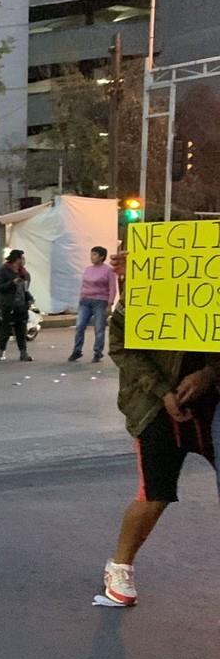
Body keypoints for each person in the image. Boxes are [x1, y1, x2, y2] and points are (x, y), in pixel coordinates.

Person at [101, 250, 219, 606]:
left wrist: (210, 374)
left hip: (212, 404)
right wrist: (163, 391)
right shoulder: (130, 307)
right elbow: (124, 351)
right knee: (155, 491)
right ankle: (120, 566)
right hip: (156, 408)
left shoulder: (211, 291)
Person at [69, 245, 117, 363]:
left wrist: (110, 303)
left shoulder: (108, 270)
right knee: (80, 326)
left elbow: (112, 287)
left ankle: (98, 352)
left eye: (95, 255)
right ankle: (77, 350)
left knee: (99, 327)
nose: (92, 257)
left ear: (101, 257)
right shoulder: (88, 269)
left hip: (100, 301)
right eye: (91, 254)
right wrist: (81, 297)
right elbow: (83, 285)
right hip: (85, 300)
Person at [0, 249, 33, 362]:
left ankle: (23, 353)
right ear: (17, 259)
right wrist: (12, 283)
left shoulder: (23, 272)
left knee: (21, 330)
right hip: (8, 305)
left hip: (21, 305)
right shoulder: (3, 271)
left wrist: (29, 298)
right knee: (5, 330)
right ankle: (1, 352)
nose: (23, 261)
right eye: (21, 259)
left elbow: (25, 289)